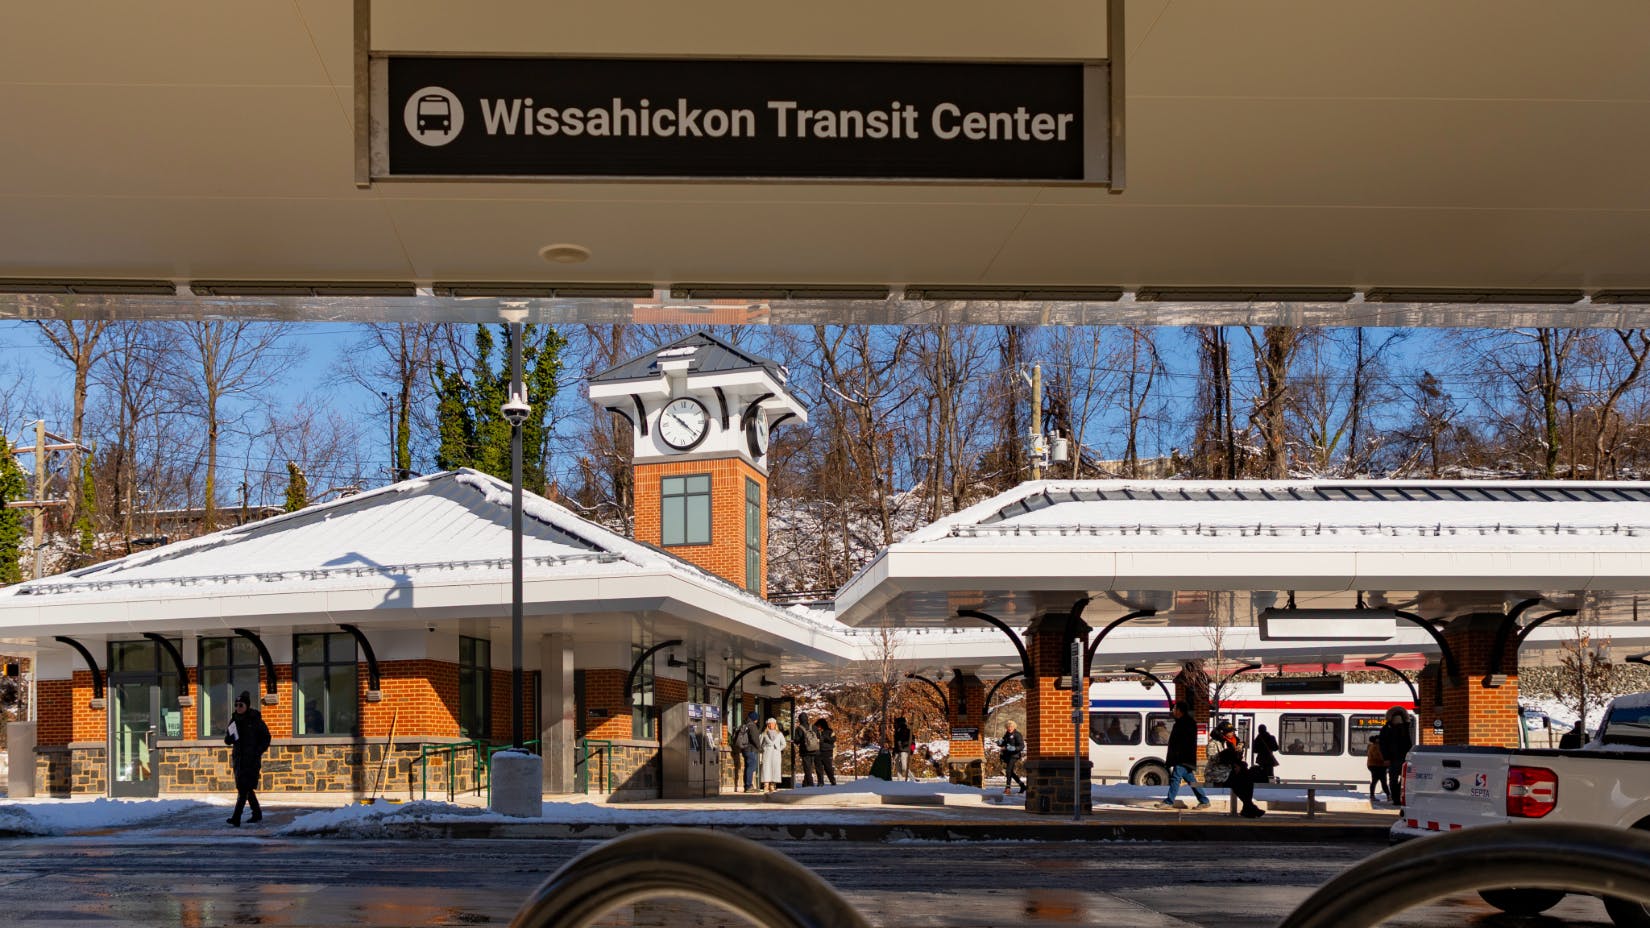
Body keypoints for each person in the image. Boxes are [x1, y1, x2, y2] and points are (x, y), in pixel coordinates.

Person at [224, 691, 271, 826]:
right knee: (245, 788)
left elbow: (266, 737)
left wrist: (258, 751)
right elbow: (227, 740)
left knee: (244, 789)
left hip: (252, 760)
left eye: (241, 705)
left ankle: (236, 818)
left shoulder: (255, 720)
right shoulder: (233, 720)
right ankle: (257, 813)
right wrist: (230, 737)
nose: (238, 708)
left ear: (247, 706)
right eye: (236, 705)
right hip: (239, 759)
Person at [1159, 702, 1210, 810]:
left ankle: (1169, 801)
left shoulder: (1185, 723)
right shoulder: (1183, 722)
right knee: (1191, 780)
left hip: (1183, 757)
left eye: (1175, 709)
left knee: (1175, 778)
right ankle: (1204, 800)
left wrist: (1177, 755)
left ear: (1180, 711)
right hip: (1184, 758)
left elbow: (1184, 742)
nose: (1173, 711)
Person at [1211, 722, 1265, 818]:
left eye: (1232, 731)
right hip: (1218, 773)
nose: (1232, 733)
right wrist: (1228, 755)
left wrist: (1238, 754)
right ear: (1222, 732)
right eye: (1229, 732)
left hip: (1230, 771)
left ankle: (1248, 808)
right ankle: (1249, 807)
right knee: (1238, 781)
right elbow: (1213, 759)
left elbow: (1236, 758)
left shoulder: (1234, 741)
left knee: (1248, 778)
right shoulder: (1214, 743)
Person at [1377, 708, 1413, 805]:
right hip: (1402, 758)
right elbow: (1409, 743)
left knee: (1395, 779)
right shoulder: (1406, 727)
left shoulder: (1387, 728)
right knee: (1402, 779)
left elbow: (1383, 744)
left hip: (1396, 758)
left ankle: (1396, 798)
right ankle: (1398, 797)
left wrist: (1386, 758)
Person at [734, 713, 763, 793]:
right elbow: (755, 739)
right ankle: (748, 786)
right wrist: (759, 747)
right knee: (751, 768)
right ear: (755, 719)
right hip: (751, 750)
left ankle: (747, 785)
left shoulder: (745, 724)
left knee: (748, 767)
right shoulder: (752, 726)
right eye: (757, 719)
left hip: (745, 749)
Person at [793, 713, 821, 787]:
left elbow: (797, 741)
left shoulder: (799, 729)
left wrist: (794, 741)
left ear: (800, 720)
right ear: (807, 718)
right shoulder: (814, 727)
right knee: (812, 767)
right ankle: (806, 783)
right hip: (815, 750)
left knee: (807, 768)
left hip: (805, 751)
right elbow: (819, 737)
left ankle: (810, 784)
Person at [998, 719, 1026, 794]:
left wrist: (1014, 748)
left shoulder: (1017, 734)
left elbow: (1022, 746)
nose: (1009, 728)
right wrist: (999, 743)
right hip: (1007, 755)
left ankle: (1008, 788)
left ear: (1014, 727)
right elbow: (1003, 743)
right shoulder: (1007, 734)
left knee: (1008, 771)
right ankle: (1022, 785)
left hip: (1014, 755)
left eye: (1011, 726)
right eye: (1008, 727)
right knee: (1010, 772)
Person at [758, 718, 786, 793]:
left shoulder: (779, 734)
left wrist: (779, 749)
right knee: (766, 768)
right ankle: (766, 785)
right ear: (767, 725)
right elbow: (759, 744)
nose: (771, 725)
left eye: (772, 723)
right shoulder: (764, 734)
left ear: (775, 724)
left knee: (775, 768)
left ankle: (772, 785)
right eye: (769, 724)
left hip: (776, 754)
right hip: (767, 753)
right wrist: (764, 748)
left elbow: (784, 744)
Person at [813, 718, 838, 786]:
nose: (818, 727)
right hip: (818, 751)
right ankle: (820, 782)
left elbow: (833, 739)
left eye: (819, 725)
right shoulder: (815, 731)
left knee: (828, 768)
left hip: (827, 752)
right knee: (818, 768)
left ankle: (832, 780)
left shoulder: (830, 731)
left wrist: (824, 738)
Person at [892, 717, 915, 782]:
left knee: (904, 767)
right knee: (897, 766)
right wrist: (894, 751)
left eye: (896, 723)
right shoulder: (897, 731)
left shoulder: (908, 731)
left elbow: (913, 742)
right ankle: (899, 780)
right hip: (898, 751)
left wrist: (912, 750)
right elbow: (896, 743)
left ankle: (913, 778)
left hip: (905, 751)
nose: (895, 724)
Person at [1365, 735, 1388, 800]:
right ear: (1377, 740)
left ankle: (1373, 796)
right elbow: (1378, 756)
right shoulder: (1376, 746)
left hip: (1374, 765)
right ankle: (1388, 795)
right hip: (1378, 766)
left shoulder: (1371, 746)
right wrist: (1386, 761)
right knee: (1382, 781)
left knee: (1376, 781)